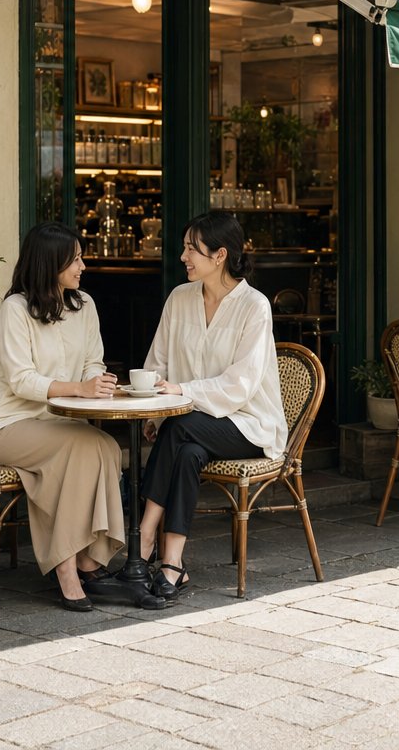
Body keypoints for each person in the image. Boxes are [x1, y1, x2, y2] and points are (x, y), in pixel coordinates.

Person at [0, 222, 125, 612]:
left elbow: (93, 361)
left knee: (106, 446)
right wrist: (79, 390)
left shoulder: (85, 305)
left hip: (57, 425)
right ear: (49, 262)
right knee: (82, 445)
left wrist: (98, 382)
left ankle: (91, 556)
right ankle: (67, 567)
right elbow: (21, 380)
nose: (83, 266)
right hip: (6, 426)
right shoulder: (16, 309)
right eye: (75, 259)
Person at [134, 212, 286, 599]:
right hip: (191, 423)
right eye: (184, 247)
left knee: (182, 426)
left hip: (248, 424)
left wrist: (178, 396)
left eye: (191, 249)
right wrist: (156, 408)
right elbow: (157, 363)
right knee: (186, 451)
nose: (183, 256)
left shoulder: (254, 306)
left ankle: (143, 538)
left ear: (219, 255)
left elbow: (241, 385)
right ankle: (172, 565)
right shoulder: (179, 298)